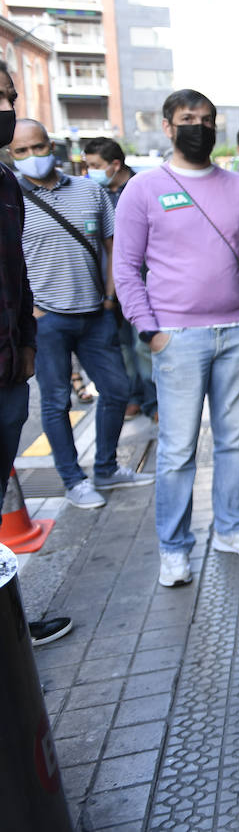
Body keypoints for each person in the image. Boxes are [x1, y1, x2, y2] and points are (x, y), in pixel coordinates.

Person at [113, 89, 239, 588]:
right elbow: (125, 268)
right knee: (178, 448)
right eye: (188, 119)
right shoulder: (143, 189)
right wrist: (151, 331)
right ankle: (174, 547)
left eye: (207, 119)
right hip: (177, 338)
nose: (199, 127)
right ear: (167, 126)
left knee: (233, 442)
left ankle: (231, 528)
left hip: (236, 334)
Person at [12, 119, 152, 509]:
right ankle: (73, 480)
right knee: (57, 403)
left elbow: (114, 247)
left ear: (52, 146)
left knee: (118, 390)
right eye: (21, 151)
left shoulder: (90, 190)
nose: (32, 157)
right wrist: (32, 311)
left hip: (96, 313)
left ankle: (106, 467)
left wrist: (110, 298)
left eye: (38, 147)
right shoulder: (11, 197)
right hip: (46, 320)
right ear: (11, 153)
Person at [0, 67, 74, 647]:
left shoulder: (5, 183)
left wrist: (25, 339)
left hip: (7, 370)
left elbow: (15, 275)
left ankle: (10, 625)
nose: (6, 104)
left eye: (10, 96)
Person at [85, 137, 154, 422]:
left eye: (95, 165)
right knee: (122, 344)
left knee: (144, 344)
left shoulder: (143, 189)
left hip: (144, 283)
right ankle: (133, 397)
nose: (90, 172)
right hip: (110, 286)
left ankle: (154, 400)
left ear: (115, 164)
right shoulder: (95, 193)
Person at [82, 137, 135, 206]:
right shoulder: (90, 192)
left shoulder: (142, 188)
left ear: (116, 165)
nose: (90, 171)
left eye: (96, 166)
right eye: (88, 166)